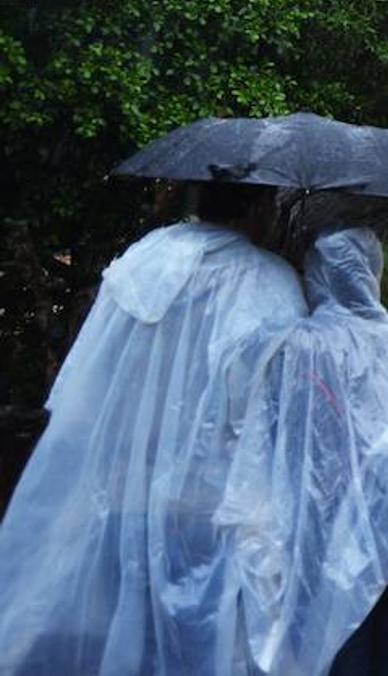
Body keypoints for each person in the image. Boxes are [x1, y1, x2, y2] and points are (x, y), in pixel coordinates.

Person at [0, 183, 309, 674]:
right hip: (207, 510)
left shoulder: (146, 261)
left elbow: (90, 377)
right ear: (254, 206)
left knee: (121, 633)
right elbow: (274, 405)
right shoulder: (267, 283)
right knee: (199, 642)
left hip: (122, 493)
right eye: (269, 203)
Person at [219, 227, 388, 676]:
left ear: (319, 278)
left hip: (331, 530)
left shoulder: (303, 344)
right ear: (371, 273)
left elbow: (283, 436)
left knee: (338, 642)